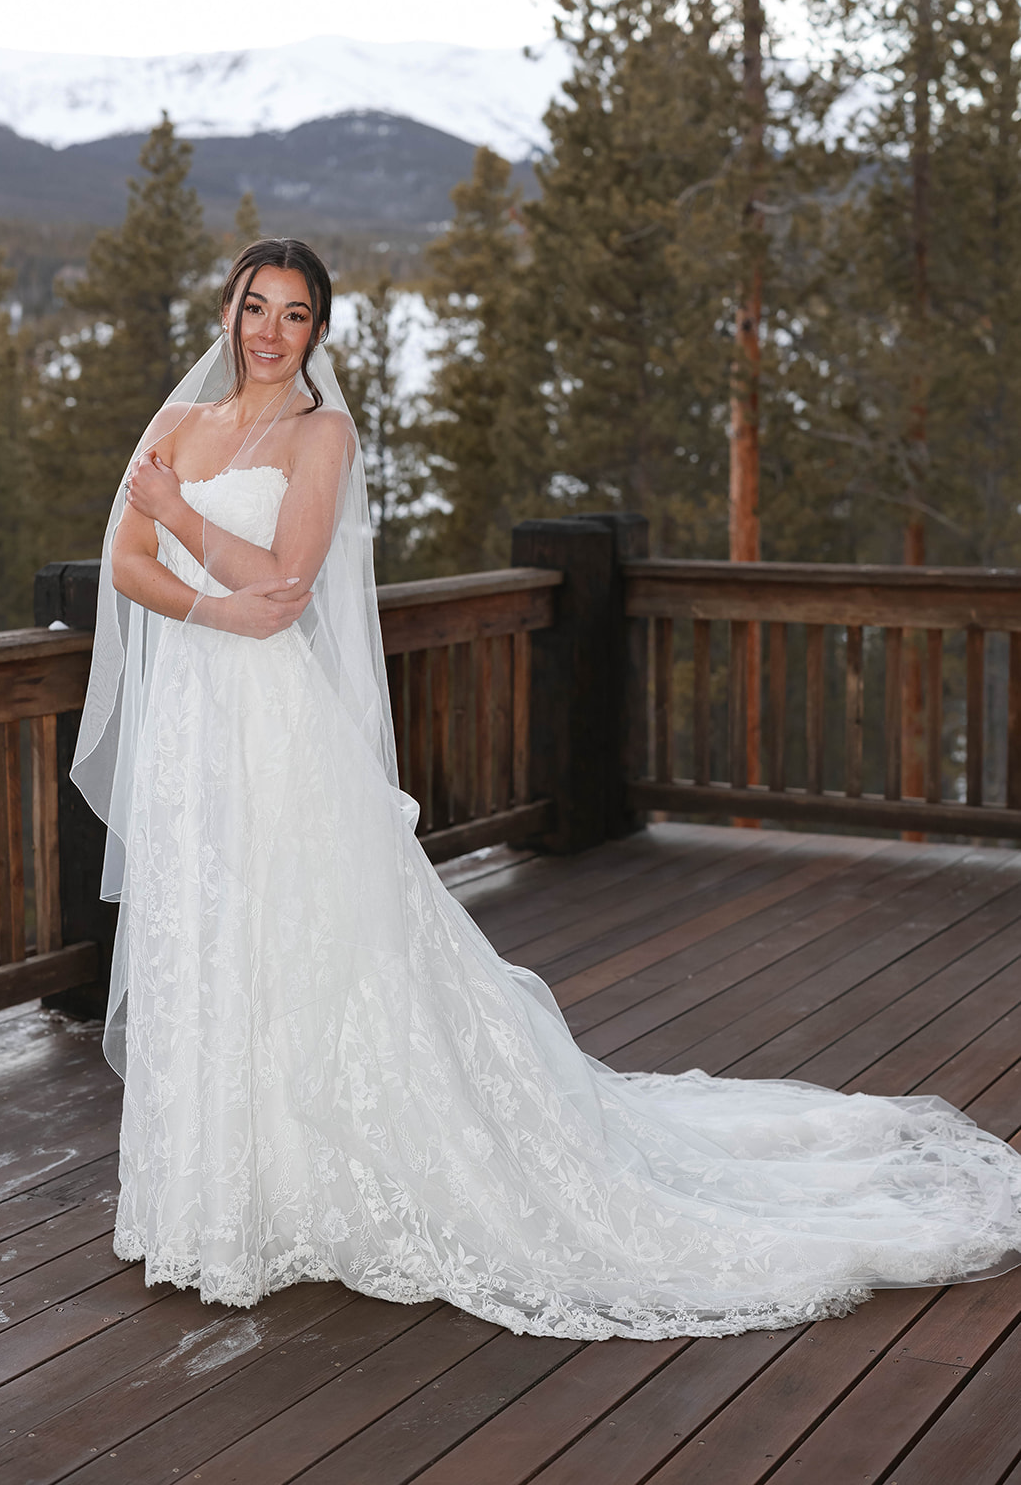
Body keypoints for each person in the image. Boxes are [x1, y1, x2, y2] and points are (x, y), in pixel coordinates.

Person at [72, 237, 1021, 1341]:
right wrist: (203, 603)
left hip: (270, 720)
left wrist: (190, 531)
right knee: (205, 930)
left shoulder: (319, 432)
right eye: (255, 308)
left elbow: (281, 584)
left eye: (294, 314)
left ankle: (311, 1183)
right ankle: (210, 1199)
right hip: (195, 716)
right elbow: (122, 569)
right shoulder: (176, 425)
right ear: (228, 314)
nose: (270, 332)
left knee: (304, 932)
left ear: (318, 331)